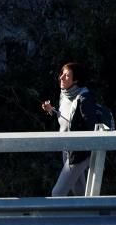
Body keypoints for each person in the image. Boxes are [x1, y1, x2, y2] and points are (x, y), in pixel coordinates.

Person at [42, 62, 101, 196]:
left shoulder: (84, 98)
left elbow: (92, 126)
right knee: (79, 190)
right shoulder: (65, 94)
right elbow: (69, 118)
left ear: (76, 80)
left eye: (66, 75)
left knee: (57, 193)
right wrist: (51, 110)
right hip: (67, 149)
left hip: (79, 152)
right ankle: (87, 215)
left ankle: (57, 217)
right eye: (61, 74)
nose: (61, 78)